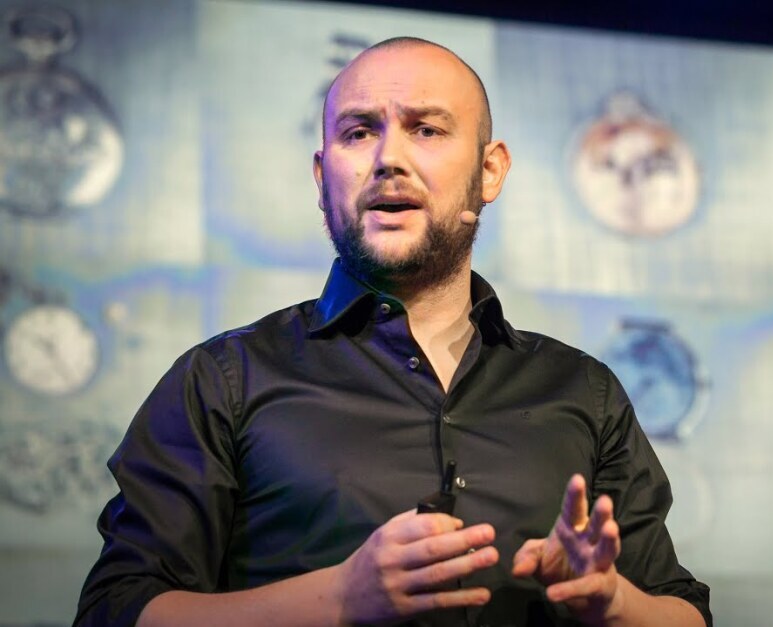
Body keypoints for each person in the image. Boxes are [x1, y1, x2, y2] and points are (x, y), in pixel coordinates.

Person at [74, 37, 711, 627]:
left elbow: (685, 612)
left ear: (490, 171)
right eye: (359, 132)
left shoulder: (583, 391)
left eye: (426, 129)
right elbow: (116, 610)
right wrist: (340, 598)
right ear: (322, 175)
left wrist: (614, 601)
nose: (389, 159)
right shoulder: (226, 380)